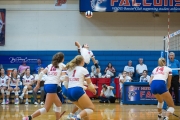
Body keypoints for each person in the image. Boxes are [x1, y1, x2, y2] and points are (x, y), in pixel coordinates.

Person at [22, 52, 65, 120]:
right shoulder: (61, 65)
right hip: (52, 86)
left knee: (58, 104)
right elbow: (68, 70)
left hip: (46, 85)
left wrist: (38, 84)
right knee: (46, 108)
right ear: (61, 59)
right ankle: (29, 118)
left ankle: (57, 119)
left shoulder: (50, 65)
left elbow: (41, 73)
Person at [66, 55, 96, 120]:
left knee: (84, 111)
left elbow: (67, 81)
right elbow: (90, 85)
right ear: (82, 62)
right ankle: (76, 118)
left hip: (69, 91)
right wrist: (94, 90)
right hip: (77, 90)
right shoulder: (83, 70)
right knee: (91, 109)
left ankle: (75, 116)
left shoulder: (70, 69)